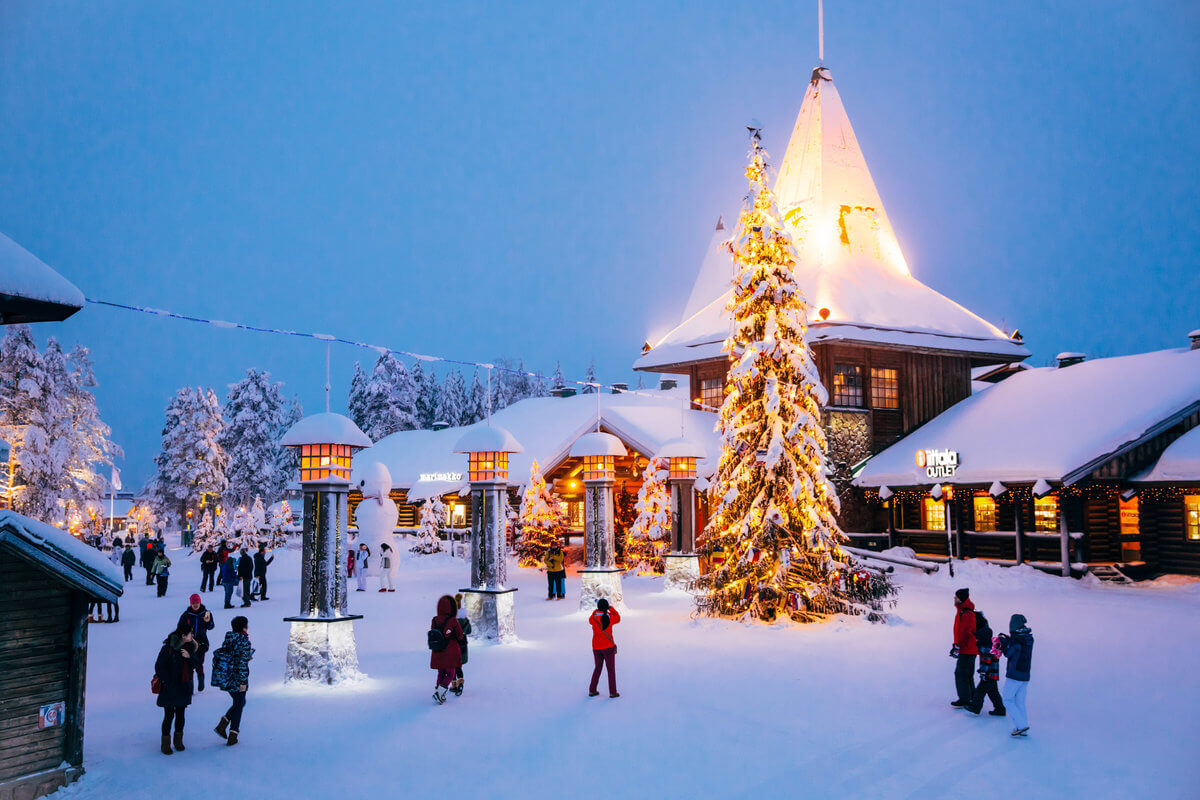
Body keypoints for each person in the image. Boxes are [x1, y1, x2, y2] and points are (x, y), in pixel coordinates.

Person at [155, 619, 197, 754]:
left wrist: (189, 657)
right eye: (190, 634)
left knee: (180, 714)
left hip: (184, 687)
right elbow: (159, 667)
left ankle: (178, 741)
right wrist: (168, 681)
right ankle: (165, 743)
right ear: (183, 636)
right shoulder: (168, 648)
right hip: (170, 687)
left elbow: (197, 664)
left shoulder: (190, 648)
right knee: (168, 715)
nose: (192, 636)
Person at [212, 616, 254, 746]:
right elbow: (241, 663)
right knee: (239, 704)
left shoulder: (229, 638)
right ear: (243, 627)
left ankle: (225, 726)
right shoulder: (244, 641)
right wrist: (242, 682)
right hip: (237, 678)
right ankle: (231, 733)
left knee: (239, 703)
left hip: (227, 677)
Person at [999, 613, 1034, 737]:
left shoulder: (1016, 639)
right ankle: (1022, 727)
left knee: (1007, 700)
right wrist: (1009, 641)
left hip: (1014, 675)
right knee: (1019, 702)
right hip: (1025, 675)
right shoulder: (1027, 638)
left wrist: (1003, 644)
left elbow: (1008, 653)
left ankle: (1021, 725)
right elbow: (1018, 650)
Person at [967, 612, 1005, 717]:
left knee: (980, 691)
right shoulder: (991, 646)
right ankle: (1000, 709)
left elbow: (986, 661)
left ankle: (975, 707)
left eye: (978, 638)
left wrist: (983, 672)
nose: (977, 639)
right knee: (993, 692)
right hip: (993, 674)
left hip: (988, 675)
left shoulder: (986, 648)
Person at [429, 595, 465, 705]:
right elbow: (460, 635)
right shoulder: (453, 620)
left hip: (438, 650)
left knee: (441, 672)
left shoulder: (434, 620)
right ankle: (439, 693)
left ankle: (439, 692)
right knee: (450, 673)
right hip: (450, 651)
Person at [178, 593, 215, 691]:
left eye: (197, 602)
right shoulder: (186, 615)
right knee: (189, 664)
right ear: (191, 604)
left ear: (200, 602)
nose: (195, 604)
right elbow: (179, 627)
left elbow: (211, 627)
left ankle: (201, 679)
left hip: (201, 643)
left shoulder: (206, 613)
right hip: (189, 642)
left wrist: (208, 622)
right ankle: (190, 687)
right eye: (193, 603)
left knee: (199, 663)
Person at [950, 588, 978, 708]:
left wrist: (958, 645)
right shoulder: (964, 611)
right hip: (970, 649)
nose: (954, 599)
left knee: (960, 673)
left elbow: (965, 632)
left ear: (961, 599)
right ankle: (972, 696)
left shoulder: (966, 613)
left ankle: (964, 699)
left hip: (967, 649)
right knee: (967, 674)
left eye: (956, 597)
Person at [588, 598, 620, 698]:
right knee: (610, 670)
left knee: (597, 668)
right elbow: (618, 618)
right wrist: (611, 608)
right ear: (606, 607)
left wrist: (597, 610)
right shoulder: (610, 617)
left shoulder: (593, 618)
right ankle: (612, 692)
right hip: (608, 647)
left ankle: (592, 690)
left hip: (596, 647)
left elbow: (591, 618)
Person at [450, 593, 470, 695]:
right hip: (463, 644)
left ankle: (454, 685)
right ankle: (460, 682)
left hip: (453, 645)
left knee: (453, 666)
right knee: (459, 666)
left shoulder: (452, 620)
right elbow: (469, 631)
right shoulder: (465, 619)